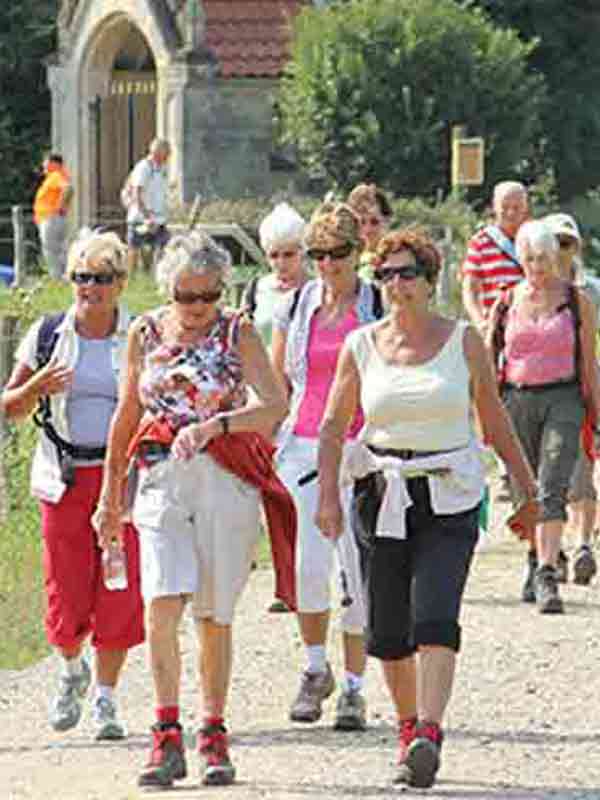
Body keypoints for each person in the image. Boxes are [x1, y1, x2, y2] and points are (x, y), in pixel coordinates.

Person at [315, 227, 538, 788]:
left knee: (435, 616)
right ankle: (408, 726)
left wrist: (527, 490)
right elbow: (333, 425)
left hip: (449, 494)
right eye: (386, 275)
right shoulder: (361, 345)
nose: (396, 284)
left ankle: (429, 735)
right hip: (381, 492)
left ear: (429, 278)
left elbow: (494, 418)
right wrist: (326, 497)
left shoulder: (463, 341)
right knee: (389, 633)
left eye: (406, 273)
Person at [93, 230, 291, 789]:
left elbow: (274, 404)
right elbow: (127, 413)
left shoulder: (238, 331)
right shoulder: (145, 332)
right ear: (168, 290)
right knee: (159, 597)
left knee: (212, 612)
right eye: (186, 296)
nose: (198, 308)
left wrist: (217, 425)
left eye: (207, 296)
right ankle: (165, 730)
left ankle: (213, 729)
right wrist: (110, 499)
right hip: (160, 478)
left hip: (225, 476)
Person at [1, 229, 143, 740]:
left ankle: (106, 698)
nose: (91, 288)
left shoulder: (137, 335)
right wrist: (39, 383)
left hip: (123, 477)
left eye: (102, 278)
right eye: (83, 277)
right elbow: (10, 406)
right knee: (66, 586)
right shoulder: (47, 333)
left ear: (121, 283)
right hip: (62, 478)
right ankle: (70, 668)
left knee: (118, 586)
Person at [272, 202, 382, 731]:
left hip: (363, 449)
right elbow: (277, 382)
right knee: (307, 567)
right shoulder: (298, 307)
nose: (328, 265)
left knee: (356, 571)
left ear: (357, 253)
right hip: (302, 445)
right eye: (318, 255)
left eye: (338, 254)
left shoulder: (377, 303)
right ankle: (316, 669)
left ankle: (357, 687)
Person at [487, 220, 600, 613]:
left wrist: (596, 412)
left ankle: (549, 574)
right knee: (526, 488)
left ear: (555, 258)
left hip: (564, 397)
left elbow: (589, 362)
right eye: (530, 258)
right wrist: (483, 412)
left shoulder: (575, 301)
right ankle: (536, 558)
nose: (537, 266)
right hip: (516, 399)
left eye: (543, 258)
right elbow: (488, 359)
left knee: (552, 482)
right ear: (520, 259)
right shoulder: (505, 301)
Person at [241, 201, 310, 612]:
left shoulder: (315, 292)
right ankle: (281, 583)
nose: (283, 263)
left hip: (299, 402)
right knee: (265, 493)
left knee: (290, 497)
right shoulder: (256, 292)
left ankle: (296, 583)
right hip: (259, 402)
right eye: (275, 255)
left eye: (290, 253)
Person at [544, 212, 599, 586]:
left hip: (580, 389)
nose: (562, 251)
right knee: (548, 474)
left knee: (582, 471)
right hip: (540, 393)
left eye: (567, 243)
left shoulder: (591, 291)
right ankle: (554, 549)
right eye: (556, 243)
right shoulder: (529, 290)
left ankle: (583, 545)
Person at [461, 181, 529, 333]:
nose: (510, 213)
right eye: (505, 207)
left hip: (532, 326)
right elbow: (470, 289)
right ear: (494, 207)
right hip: (497, 328)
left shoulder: (535, 239)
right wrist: (480, 322)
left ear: (525, 208)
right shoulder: (480, 242)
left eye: (516, 207)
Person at [126, 138, 171, 274]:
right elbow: (137, 194)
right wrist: (147, 217)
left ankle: (152, 276)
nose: (168, 157)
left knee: (162, 247)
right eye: (166, 153)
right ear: (158, 153)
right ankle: (130, 278)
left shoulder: (162, 168)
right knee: (135, 248)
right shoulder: (143, 168)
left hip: (159, 217)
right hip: (141, 217)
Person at [33, 153, 73, 280]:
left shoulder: (56, 176)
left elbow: (68, 188)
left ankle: (57, 278)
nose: (44, 165)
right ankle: (62, 277)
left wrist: (60, 206)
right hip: (52, 219)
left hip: (51, 219)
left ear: (54, 164)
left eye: (46, 162)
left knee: (51, 250)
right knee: (59, 249)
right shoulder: (56, 176)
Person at [347, 182, 393, 280]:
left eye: (374, 222)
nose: (368, 230)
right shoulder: (346, 260)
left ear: (387, 221)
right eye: (362, 222)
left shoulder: (398, 259)